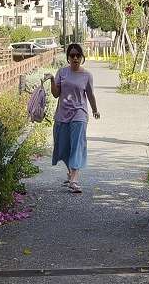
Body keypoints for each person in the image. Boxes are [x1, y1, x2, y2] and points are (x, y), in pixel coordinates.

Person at [47, 42, 100, 192]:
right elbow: (56, 94)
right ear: (68, 58)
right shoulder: (62, 72)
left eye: (78, 55)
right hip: (62, 114)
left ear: (82, 57)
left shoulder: (87, 75)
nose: (75, 58)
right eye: (72, 55)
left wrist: (95, 110)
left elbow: (90, 94)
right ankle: (70, 172)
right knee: (63, 146)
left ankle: (74, 179)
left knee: (77, 145)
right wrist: (52, 80)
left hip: (79, 114)